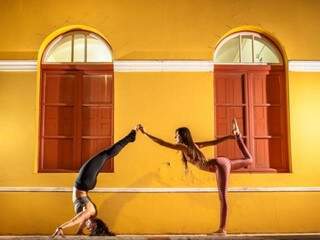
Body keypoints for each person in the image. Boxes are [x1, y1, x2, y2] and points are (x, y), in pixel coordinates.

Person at [137, 119, 252, 235]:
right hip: (221, 163)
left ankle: (222, 229)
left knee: (223, 198)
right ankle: (238, 136)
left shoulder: (185, 147)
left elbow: (162, 143)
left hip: (218, 165)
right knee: (249, 160)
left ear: (182, 137)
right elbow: (214, 142)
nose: (174, 138)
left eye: (176, 136)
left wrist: (146, 133)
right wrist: (229, 137)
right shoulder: (194, 146)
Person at [52, 128, 137, 238]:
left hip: (86, 184)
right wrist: (61, 227)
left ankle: (130, 138)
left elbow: (81, 221)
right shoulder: (89, 212)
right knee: (106, 154)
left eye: (89, 229)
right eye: (91, 227)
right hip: (83, 182)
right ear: (95, 222)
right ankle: (130, 137)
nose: (88, 227)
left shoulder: (87, 216)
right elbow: (75, 220)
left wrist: (79, 232)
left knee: (106, 155)